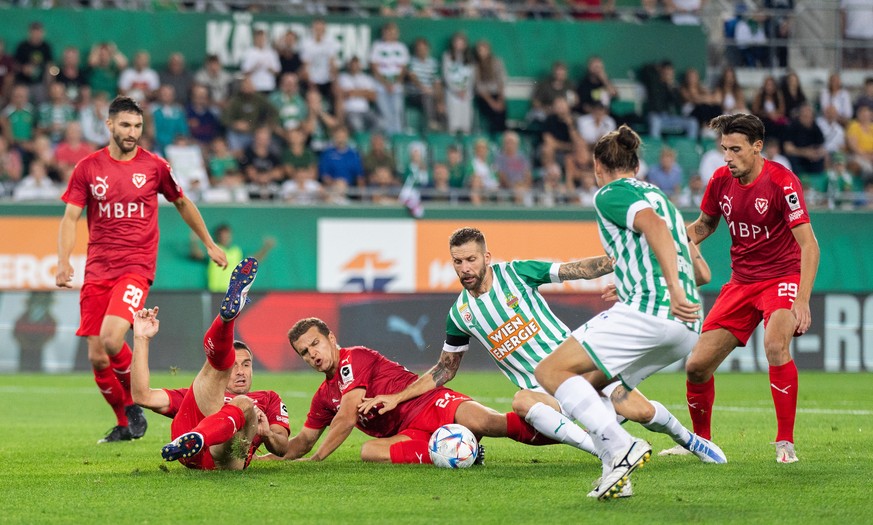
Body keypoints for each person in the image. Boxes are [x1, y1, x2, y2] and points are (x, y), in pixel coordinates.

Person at [360, 226, 722, 496]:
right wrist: (396, 398)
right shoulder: (460, 314)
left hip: (581, 370)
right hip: (542, 398)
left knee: (641, 412)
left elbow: (574, 270)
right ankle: (607, 450)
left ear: (487, 257)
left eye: (471, 259)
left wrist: (620, 263)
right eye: (458, 261)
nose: (465, 267)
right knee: (521, 399)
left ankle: (691, 441)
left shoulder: (517, 273)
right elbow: (444, 369)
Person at [534, 125, 703, 500]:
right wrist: (640, 283)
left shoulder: (610, 193)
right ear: (637, 164)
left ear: (598, 165)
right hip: (688, 325)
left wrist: (671, 289)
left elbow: (654, 229)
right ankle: (616, 470)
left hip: (653, 311)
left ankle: (621, 445)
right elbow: (702, 271)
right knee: (594, 385)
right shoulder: (661, 196)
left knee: (550, 370)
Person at [56, 96, 228, 444]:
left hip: (135, 267)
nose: (132, 132)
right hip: (97, 269)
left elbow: (182, 202)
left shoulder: (154, 167)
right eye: (125, 125)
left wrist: (209, 243)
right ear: (110, 125)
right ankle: (125, 422)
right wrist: (63, 261)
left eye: (137, 126)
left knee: (110, 338)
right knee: (97, 356)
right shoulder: (88, 168)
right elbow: (70, 217)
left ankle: (136, 400)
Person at [683, 113, 820, 464]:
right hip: (741, 282)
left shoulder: (782, 182)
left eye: (735, 149)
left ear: (757, 147)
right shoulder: (720, 180)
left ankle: (785, 443)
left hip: (782, 278)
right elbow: (704, 225)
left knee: (775, 345)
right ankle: (702, 443)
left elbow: (809, 246)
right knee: (697, 366)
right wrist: (671, 239)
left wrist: (802, 300)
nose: (727, 157)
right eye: (724, 149)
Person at [278, 317, 582, 464]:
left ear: (331, 338)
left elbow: (346, 417)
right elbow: (302, 441)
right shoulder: (322, 395)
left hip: (429, 403)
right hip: (409, 431)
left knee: (487, 422)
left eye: (315, 344)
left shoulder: (352, 358)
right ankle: (465, 453)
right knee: (369, 452)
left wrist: (316, 461)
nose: (312, 355)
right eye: (304, 352)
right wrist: (269, 452)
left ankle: (576, 433)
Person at [131, 258, 290, 469]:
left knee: (244, 405)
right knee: (216, 367)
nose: (241, 372)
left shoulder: (268, 399)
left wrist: (267, 432)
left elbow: (282, 447)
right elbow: (142, 395)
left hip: (229, 457)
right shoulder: (198, 395)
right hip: (191, 444)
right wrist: (141, 339)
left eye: (246, 364)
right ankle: (226, 319)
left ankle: (198, 438)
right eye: (235, 366)